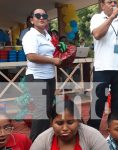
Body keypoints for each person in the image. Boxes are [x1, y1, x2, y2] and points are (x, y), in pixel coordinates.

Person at [87, 0, 118, 130]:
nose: (113, 4)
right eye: (109, 2)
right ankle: (92, 127)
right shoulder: (97, 18)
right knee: (99, 99)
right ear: (102, 5)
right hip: (103, 67)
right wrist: (112, 17)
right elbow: (97, 34)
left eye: (115, 2)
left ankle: (114, 125)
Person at [22, 8, 62, 141]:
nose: (41, 17)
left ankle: (45, 141)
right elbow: (32, 56)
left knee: (47, 111)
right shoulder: (30, 36)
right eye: (37, 15)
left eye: (44, 15)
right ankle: (34, 143)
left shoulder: (47, 35)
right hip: (36, 77)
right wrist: (52, 60)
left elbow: (52, 53)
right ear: (32, 20)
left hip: (49, 76)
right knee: (41, 112)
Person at [30, 99, 110, 150]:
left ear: (78, 121)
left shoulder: (92, 135)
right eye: (59, 123)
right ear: (51, 123)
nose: (65, 128)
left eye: (70, 122)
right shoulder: (43, 139)